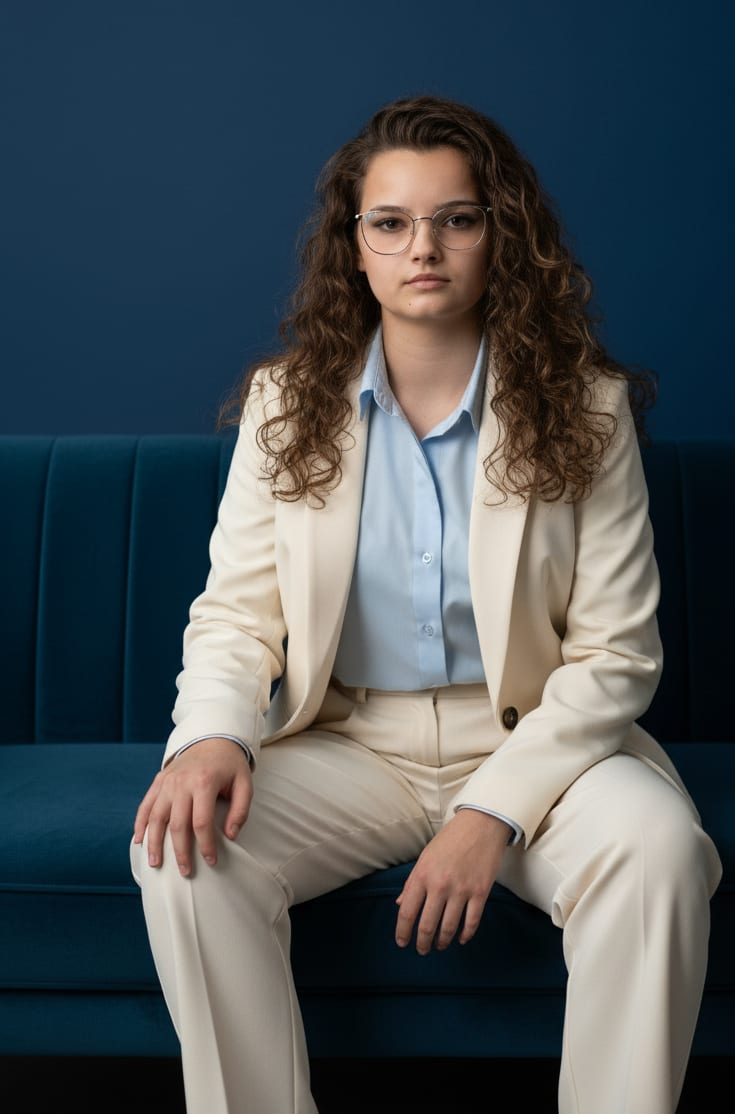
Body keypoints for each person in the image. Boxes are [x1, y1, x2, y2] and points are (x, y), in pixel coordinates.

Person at [130, 95, 722, 1114]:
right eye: (392, 222)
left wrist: (494, 806)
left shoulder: (587, 407)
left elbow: (617, 655)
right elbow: (235, 613)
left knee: (660, 846)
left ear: (502, 236)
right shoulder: (287, 403)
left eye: (458, 217)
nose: (425, 248)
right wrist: (212, 736)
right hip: (350, 738)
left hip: (543, 741)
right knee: (188, 853)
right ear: (353, 247)